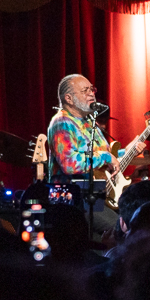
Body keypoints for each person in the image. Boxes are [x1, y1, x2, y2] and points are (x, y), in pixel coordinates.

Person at [47, 73, 119, 231]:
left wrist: (128, 152)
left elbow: (106, 155)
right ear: (69, 99)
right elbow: (70, 165)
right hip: (70, 201)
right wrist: (107, 157)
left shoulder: (88, 121)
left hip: (94, 197)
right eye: (85, 90)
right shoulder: (62, 122)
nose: (91, 93)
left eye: (92, 89)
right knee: (119, 228)